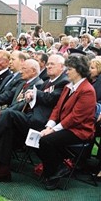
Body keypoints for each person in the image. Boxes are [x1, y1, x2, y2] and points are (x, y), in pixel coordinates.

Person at [39, 55, 96, 190]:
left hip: (80, 130)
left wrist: (52, 130)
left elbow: (76, 117)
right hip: (67, 127)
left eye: (69, 69)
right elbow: (57, 108)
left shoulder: (87, 90)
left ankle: (56, 170)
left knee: (46, 141)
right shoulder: (68, 87)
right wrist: (49, 126)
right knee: (41, 136)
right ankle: (56, 169)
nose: (66, 71)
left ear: (78, 70)